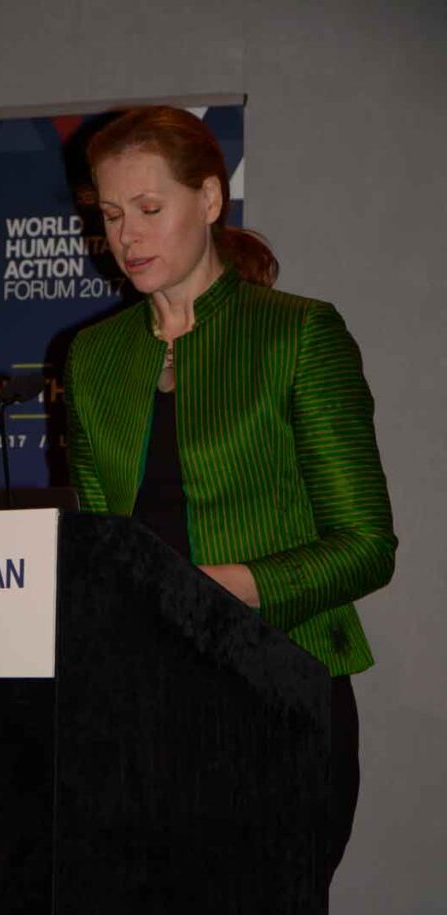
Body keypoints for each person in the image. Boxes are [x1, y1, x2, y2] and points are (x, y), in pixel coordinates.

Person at [64, 105, 397, 876]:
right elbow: (102, 547)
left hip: (279, 691)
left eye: (149, 208)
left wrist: (225, 590)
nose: (127, 236)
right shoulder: (91, 357)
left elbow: (366, 548)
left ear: (209, 198)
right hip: (138, 704)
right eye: (111, 215)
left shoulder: (298, 335)